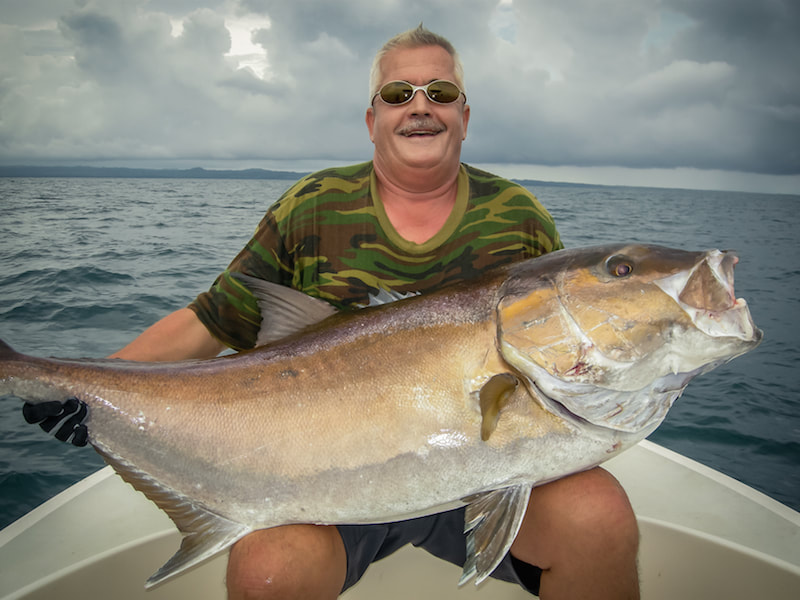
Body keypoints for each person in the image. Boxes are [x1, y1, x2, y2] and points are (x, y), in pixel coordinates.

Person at [29, 25, 640, 599]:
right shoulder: (313, 207)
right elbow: (211, 321)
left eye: (441, 92)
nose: (420, 106)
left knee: (601, 522)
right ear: (373, 120)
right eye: (399, 93)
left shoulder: (518, 215)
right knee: (268, 574)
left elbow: (564, 345)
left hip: (487, 470)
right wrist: (91, 384)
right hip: (324, 479)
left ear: (465, 116)